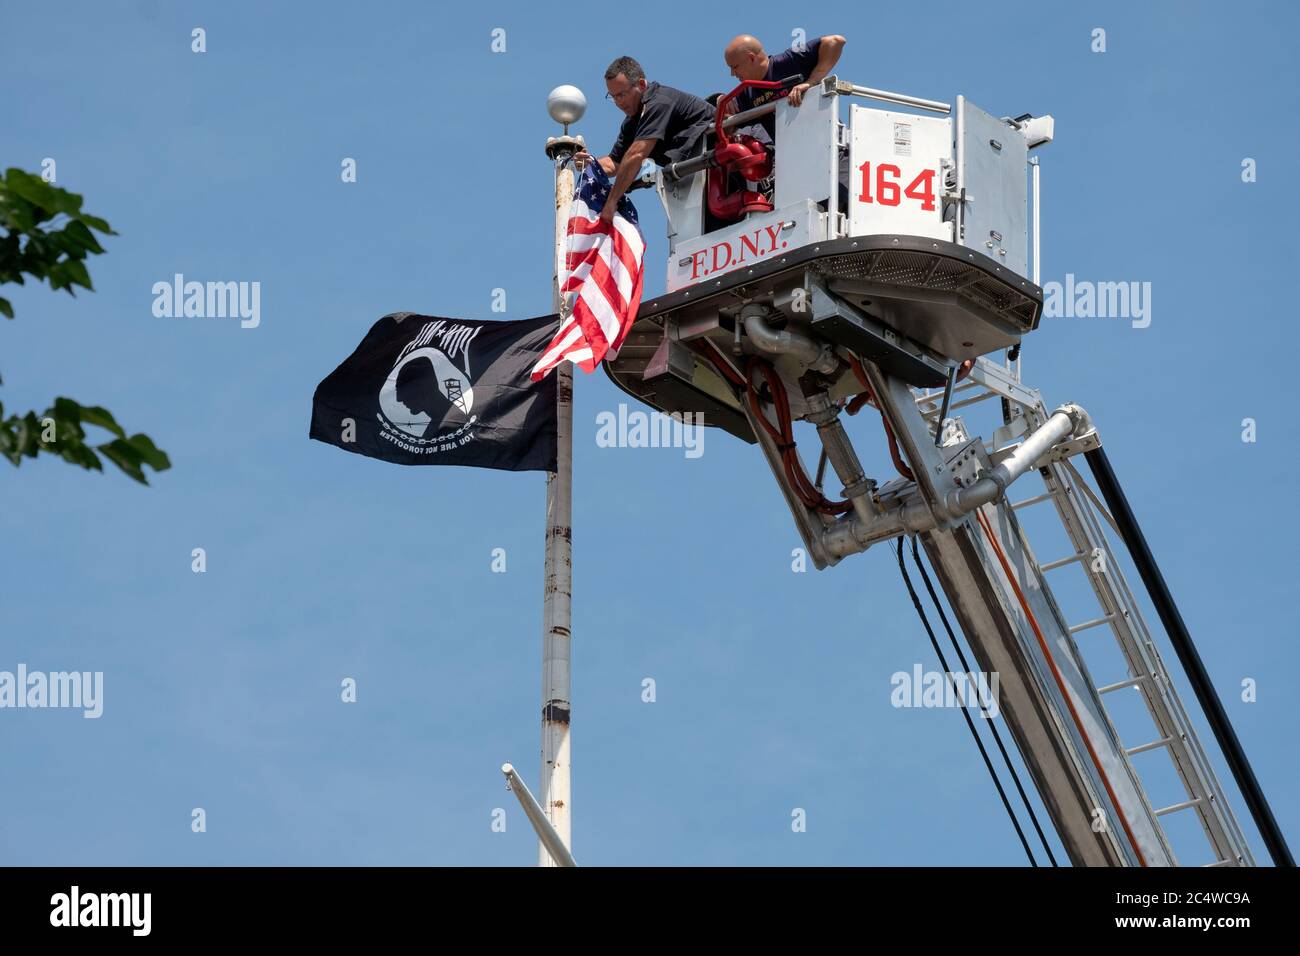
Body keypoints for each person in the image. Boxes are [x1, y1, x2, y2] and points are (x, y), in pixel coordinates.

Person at [574, 56, 713, 222]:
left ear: (641, 84)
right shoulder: (631, 122)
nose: (618, 102)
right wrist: (591, 164)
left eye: (622, 95)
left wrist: (611, 203)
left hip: (721, 166)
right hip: (700, 175)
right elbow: (616, 163)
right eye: (613, 96)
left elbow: (636, 154)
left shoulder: (659, 103)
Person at [722, 34, 846, 139]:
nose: (732, 74)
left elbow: (835, 41)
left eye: (735, 67)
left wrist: (810, 83)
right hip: (791, 156)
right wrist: (721, 103)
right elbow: (727, 126)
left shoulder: (788, 61)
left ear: (751, 58)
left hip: (830, 144)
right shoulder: (746, 94)